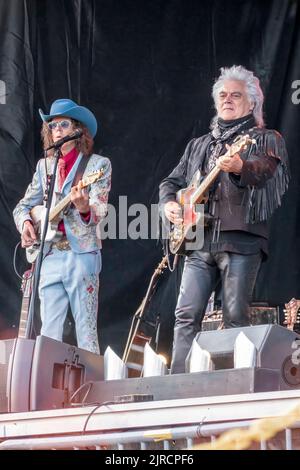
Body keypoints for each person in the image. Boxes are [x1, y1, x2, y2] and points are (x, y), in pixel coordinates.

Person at [159, 65, 289, 373]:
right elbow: (171, 182)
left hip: (240, 239)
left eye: (236, 95)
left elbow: (264, 171)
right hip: (198, 240)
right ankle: (179, 383)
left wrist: (240, 165)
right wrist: (168, 204)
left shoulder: (266, 137)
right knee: (186, 313)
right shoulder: (199, 145)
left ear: (252, 102)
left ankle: (232, 385)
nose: (227, 99)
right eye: (222, 95)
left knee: (234, 315)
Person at [13, 98, 111, 354]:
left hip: (81, 255)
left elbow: (100, 209)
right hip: (49, 255)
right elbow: (22, 206)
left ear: (77, 130)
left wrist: (83, 207)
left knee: (86, 330)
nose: (56, 129)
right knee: (49, 335)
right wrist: (25, 222)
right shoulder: (44, 167)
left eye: (63, 124)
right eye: (52, 125)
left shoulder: (97, 165)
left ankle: (93, 390)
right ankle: (47, 390)